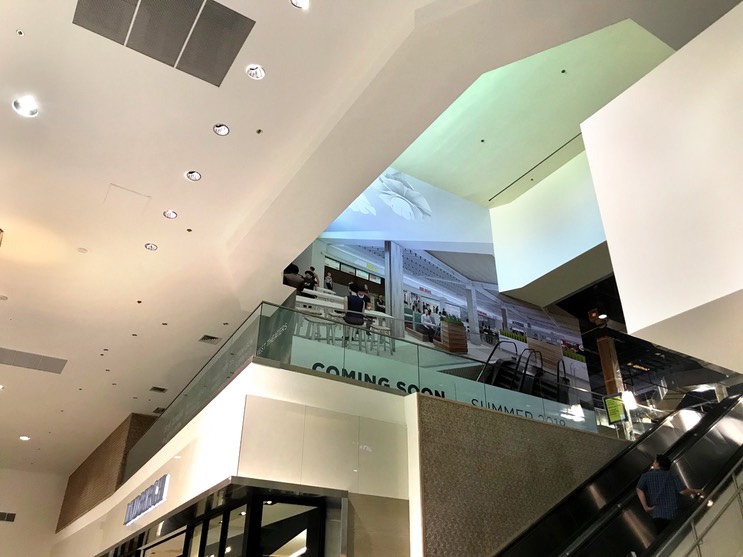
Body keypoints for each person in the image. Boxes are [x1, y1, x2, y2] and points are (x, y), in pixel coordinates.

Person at [636, 454, 704, 533]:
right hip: (673, 514)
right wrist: (695, 491)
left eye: (654, 462)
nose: (653, 464)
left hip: (657, 514)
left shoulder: (646, 476)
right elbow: (682, 491)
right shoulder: (671, 474)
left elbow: (639, 489)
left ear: (658, 464)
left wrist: (645, 507)